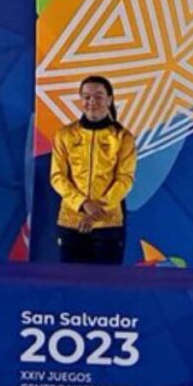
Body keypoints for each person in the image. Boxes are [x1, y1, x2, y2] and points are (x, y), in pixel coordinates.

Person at [50, 76, 137, 265]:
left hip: (108, 224)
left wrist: (96, 212)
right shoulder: (65, 135)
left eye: (98, 97)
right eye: (86, 97)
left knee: (106, 286)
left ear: (110, 100)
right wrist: (82, 204)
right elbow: (57, 177)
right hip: (71, 221)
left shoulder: (122, 137)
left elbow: (125, 179)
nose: (92, 102)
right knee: (70, 284)